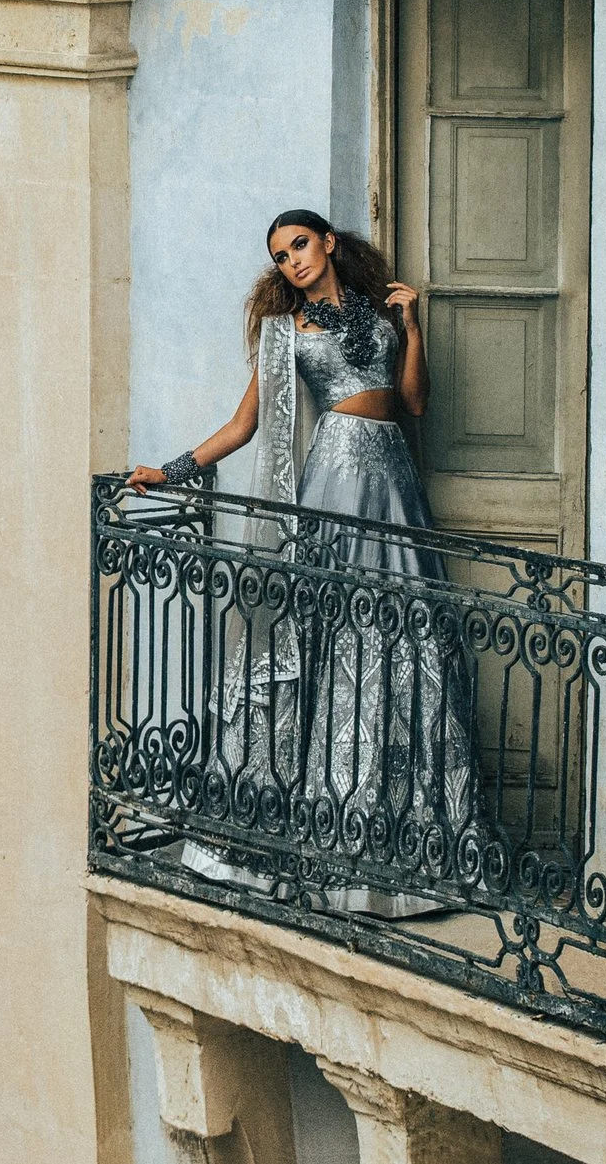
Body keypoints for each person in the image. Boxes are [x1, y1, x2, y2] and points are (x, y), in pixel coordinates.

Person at [128, 209, 482, 913]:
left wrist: (411, 329)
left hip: (394, 487)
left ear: (327, 243)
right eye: (280, 254)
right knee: (333, 645)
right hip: (334, 487)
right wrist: (171, 470)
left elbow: (413, 401)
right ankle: (319, 838)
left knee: (405, 646)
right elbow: (244, 423)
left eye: (299, 244)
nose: (291, 260)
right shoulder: (286, 333)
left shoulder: (381, 316)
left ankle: (404, 853)